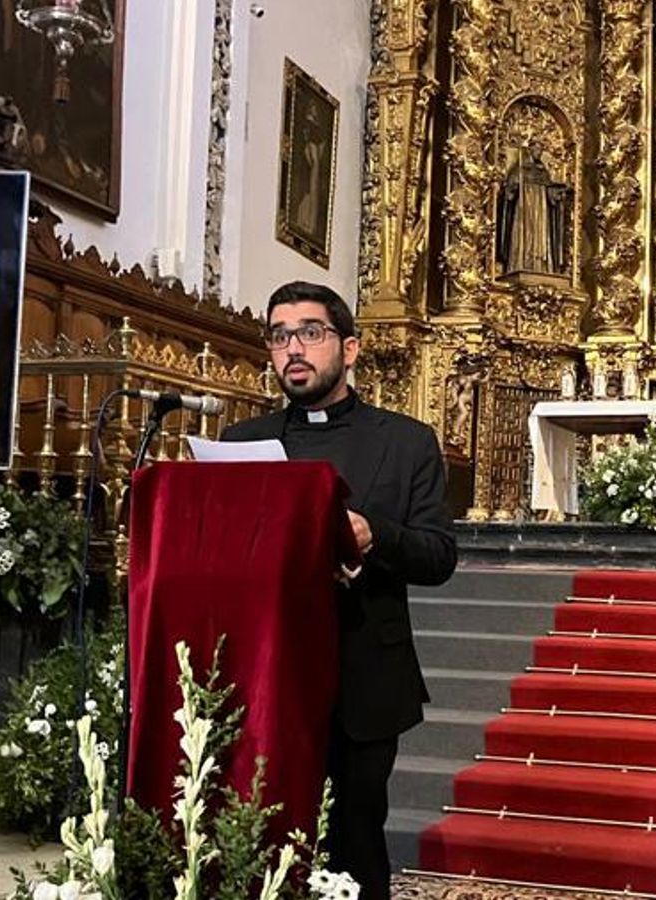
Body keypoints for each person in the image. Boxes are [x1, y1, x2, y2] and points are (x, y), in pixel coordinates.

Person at [222, 281, 457, 899]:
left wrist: (371, 535)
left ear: (349, 349)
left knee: (353, 843)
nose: (293, 348)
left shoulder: (406, 442)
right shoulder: (242, 444)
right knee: (260, 837)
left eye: (310, 332)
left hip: (364, 677)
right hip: (263, 677)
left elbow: (438, 556)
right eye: (279, 335)